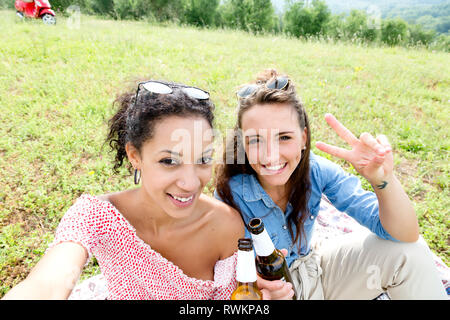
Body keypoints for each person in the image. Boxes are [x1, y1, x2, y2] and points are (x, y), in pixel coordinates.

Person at [3, 79, 278, 300]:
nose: (191, 183)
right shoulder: (97, 216)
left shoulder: (225, 225)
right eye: (169, 161)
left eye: (203, 159)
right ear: (135, 156)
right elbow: (46, 284)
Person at [214, 69, 448, 300]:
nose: (270, 155)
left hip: (315, 273)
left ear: (303, 138)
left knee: (409, 253)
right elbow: (217, 271)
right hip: (267, 294)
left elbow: (405, 234)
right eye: (255, 140)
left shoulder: (316, 170)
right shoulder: (229, 193)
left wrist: (382, 180)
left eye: (284, 137)